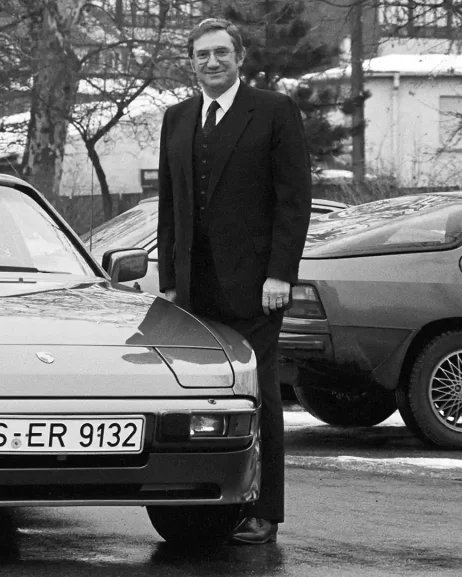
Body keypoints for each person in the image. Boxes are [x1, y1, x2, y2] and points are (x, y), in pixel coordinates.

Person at [156, 18, 312, 545]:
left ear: (239, 57)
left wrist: (279, 275)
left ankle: (264, 510)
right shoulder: (176, 119)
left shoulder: (274, 111)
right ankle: (199, 501)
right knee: (200, 399)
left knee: (259, 396)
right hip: (193, 292)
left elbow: (294, 201)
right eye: (202, 55)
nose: (212, 62)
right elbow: (170, 206)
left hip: (255, 287)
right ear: (191, 62)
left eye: (221, 53)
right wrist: (171, 283)